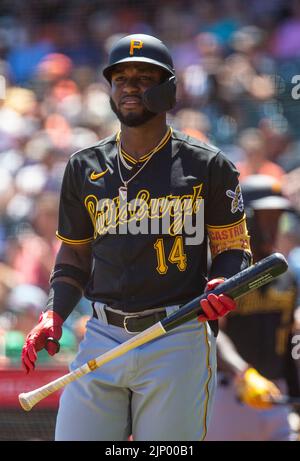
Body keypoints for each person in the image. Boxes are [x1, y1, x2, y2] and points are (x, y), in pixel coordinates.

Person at [21, 33, 252, 441]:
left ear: (169, 89)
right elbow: (73, 258)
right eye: (121, 78)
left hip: (177, 333)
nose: (130, 86)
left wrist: (224, 284)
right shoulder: (83, 166)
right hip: (103, 334)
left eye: (144, 77)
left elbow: (234, 248)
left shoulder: (209, 165)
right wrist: (53, 313)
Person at [206, 175, 300, 441]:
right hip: (229, 396)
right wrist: (242, 372)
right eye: (266, 218)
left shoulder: (285, 273)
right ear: (246, 219)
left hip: (276, 395)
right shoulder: (224, 272)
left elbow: (290, 336)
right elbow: (212, 333)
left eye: (277, 217)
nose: (274, 227)